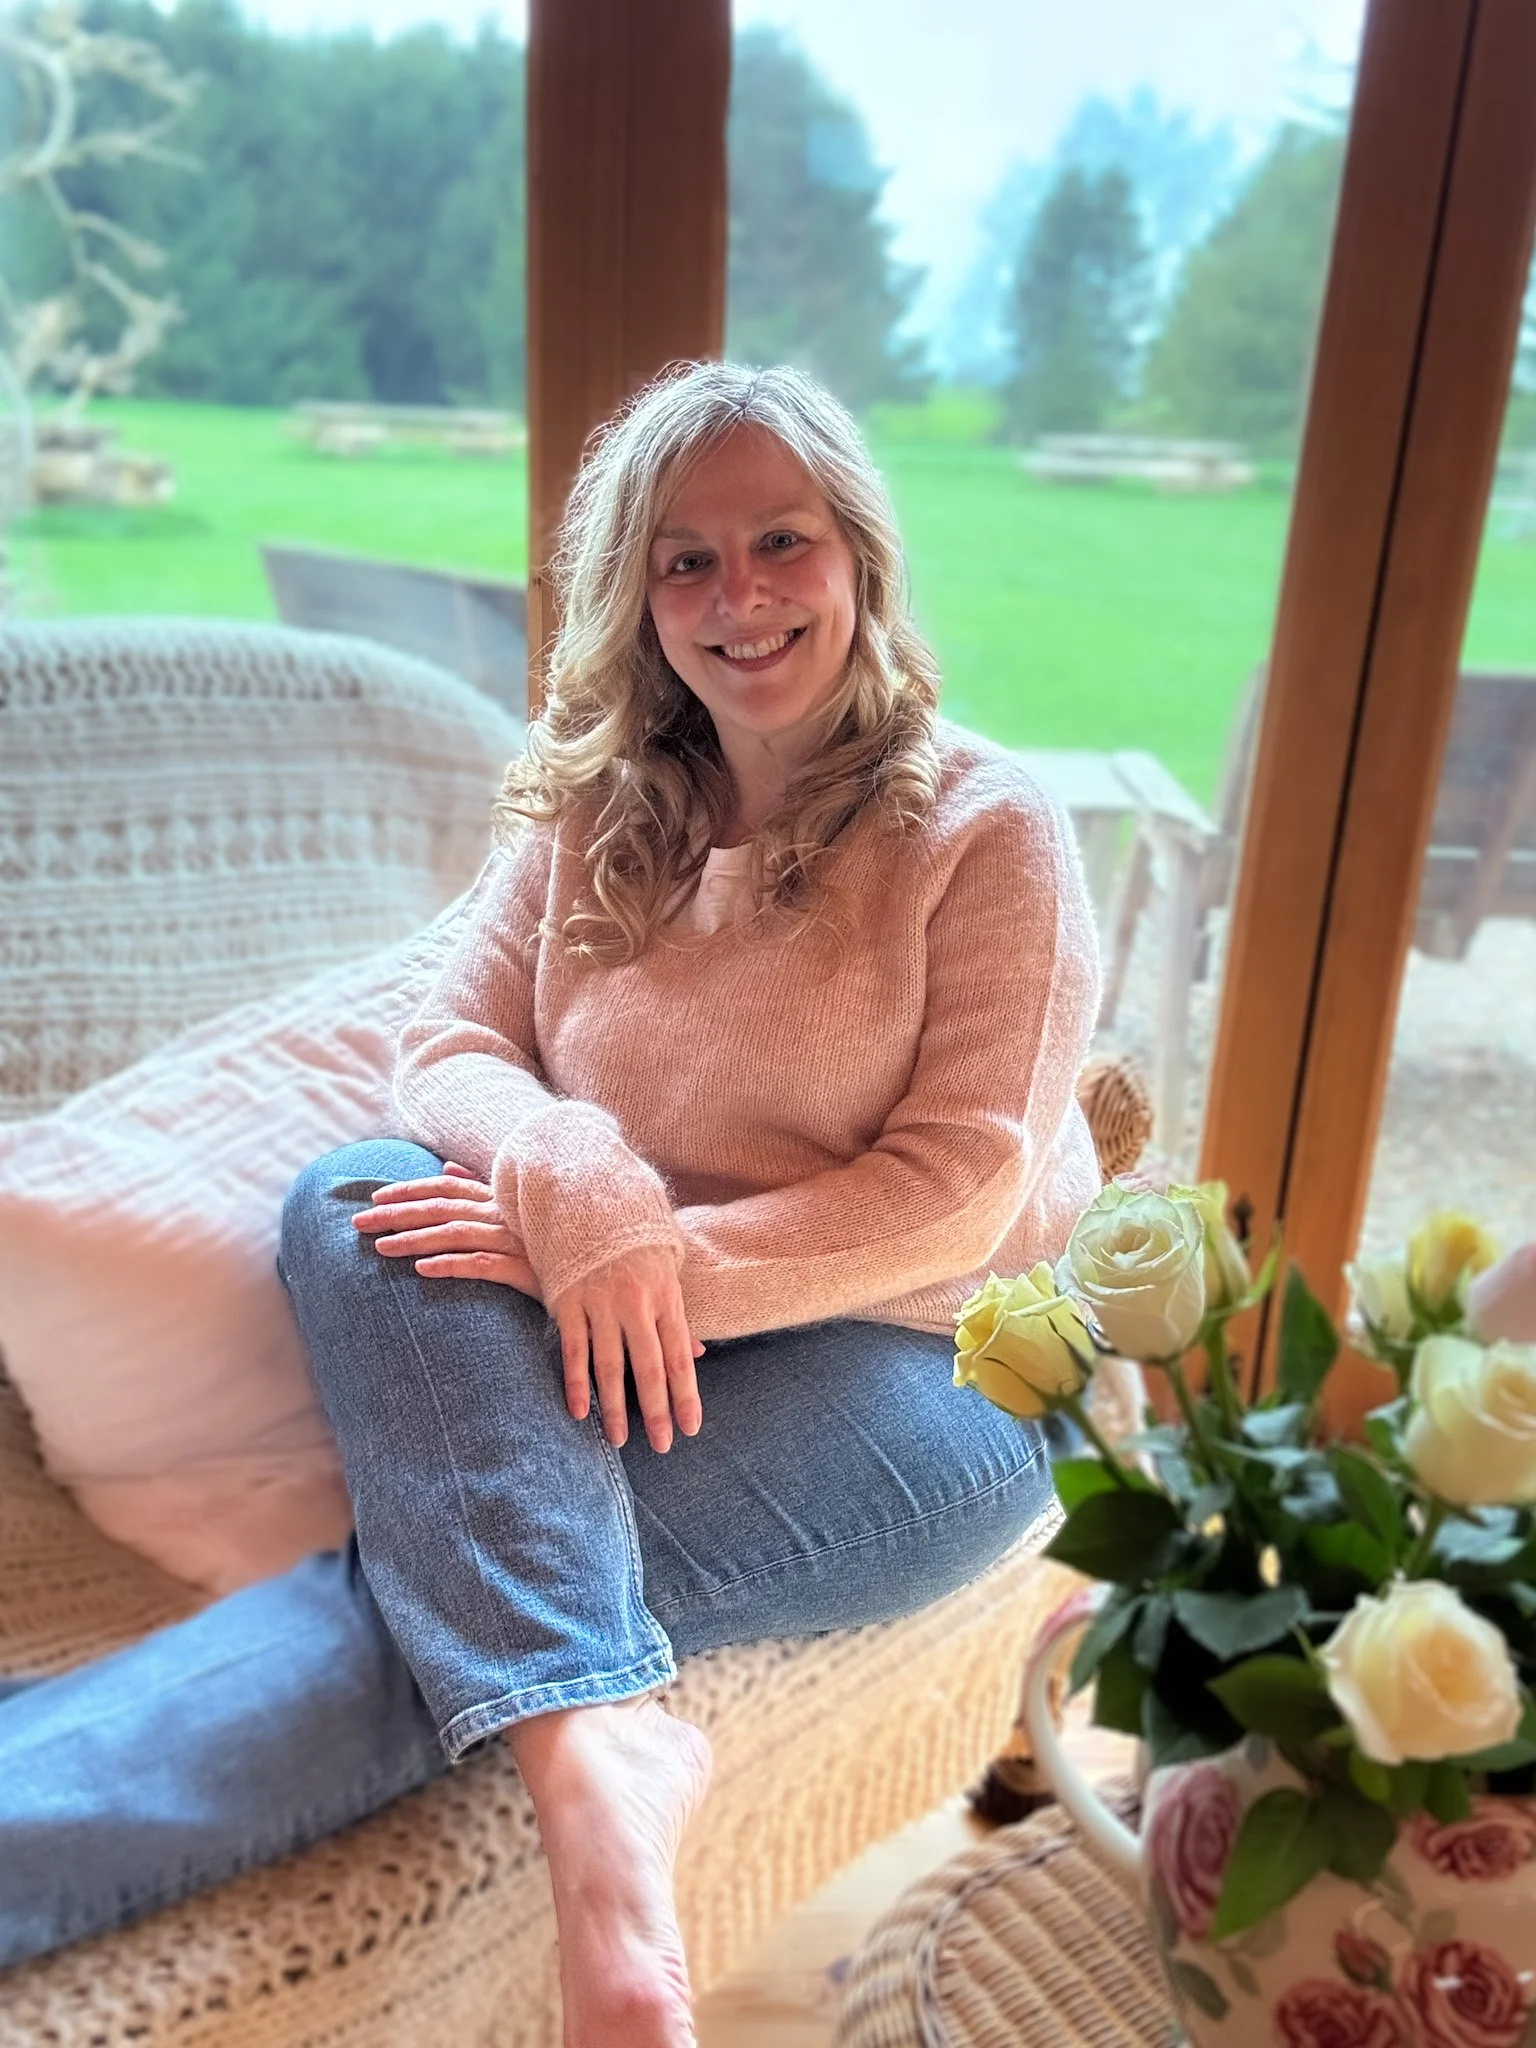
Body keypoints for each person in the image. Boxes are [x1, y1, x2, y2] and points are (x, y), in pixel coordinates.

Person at [0, 362, 1102, 2045]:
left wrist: (646, 1268)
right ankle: (602, 1739)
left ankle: (571, 1793)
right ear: (637, 594)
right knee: (356, 1198)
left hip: (916, 1374)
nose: (738, 596)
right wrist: (572, 1178)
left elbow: (965, 1188)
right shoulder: (601, 800)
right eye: (684, 559)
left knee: (420, 1592)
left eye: (780, 541)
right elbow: (448, 1038)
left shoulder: (988, 825)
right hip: (599, 1314)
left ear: (859, 560)